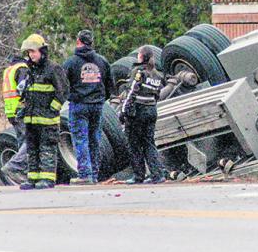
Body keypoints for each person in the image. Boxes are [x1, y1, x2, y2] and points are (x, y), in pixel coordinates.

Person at [119, 45, 177, 185]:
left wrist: (123, 111)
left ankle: (139, 176)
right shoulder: (157, 74)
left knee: (134, 144)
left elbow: (132, 91)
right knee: (149, 143)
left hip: (137, 112)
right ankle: (157, 175)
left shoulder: (138, 72)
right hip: (151, 111)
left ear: (141, 57)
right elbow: (158, 94)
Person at [18, 34, 68, 191]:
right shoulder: (30, 71)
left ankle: (47, 179)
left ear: (42, 51)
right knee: (32, 149)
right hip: (31, 119)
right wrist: (22, 110)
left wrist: (52, 108)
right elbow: (27, 93)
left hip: (47, 120)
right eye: (29, 52)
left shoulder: (53, 69)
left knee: (47, 149)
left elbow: (63, 91)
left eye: (33, 51)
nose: (31, 55)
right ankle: (32, 178)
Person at [63, 29, 111, 185]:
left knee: (80, 139)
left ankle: (85, 174)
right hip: (97, 105)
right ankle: (94, 173)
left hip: (79, 105)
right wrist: (100, 98)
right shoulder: (102, 61)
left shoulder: (71, 63)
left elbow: (63, 86)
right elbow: (109, 85)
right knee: (94, 139)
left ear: (78, 42)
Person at [2, 54, 29, 146]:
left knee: (21, 139)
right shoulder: (22, 68)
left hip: (10, 111)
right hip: (20, 108)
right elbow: (23, 88)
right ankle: (24, 160)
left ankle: (21, 159)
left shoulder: (8, 70)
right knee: (27, 141)